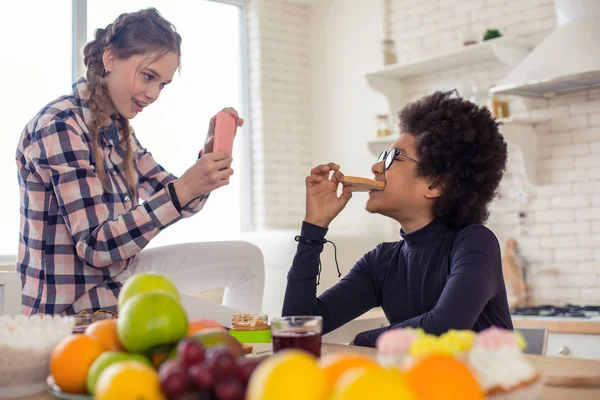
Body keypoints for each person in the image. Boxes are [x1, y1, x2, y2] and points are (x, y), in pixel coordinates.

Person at [16, 8, 263, 323]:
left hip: (120, 280)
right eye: (148, 76)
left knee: (247, 261)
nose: (153, 94)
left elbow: (182, 201)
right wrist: (183, 189)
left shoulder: (118, 130)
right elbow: (96, 247)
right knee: (237, 327)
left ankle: (246, 352)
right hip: (75, 312)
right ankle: (243, 352)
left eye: (163, 84)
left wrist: (208, 155)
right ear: (110, 59)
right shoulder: (61, 125)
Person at [282, 90, 513, 347]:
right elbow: (297, 328)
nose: (376, 167)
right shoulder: (382, 262)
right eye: (383, 156)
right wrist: (314, 228)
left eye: (394, 157)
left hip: (487, 386)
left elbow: (446, 324)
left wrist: (363, 340)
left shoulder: (474, 243)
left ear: (435, 185)